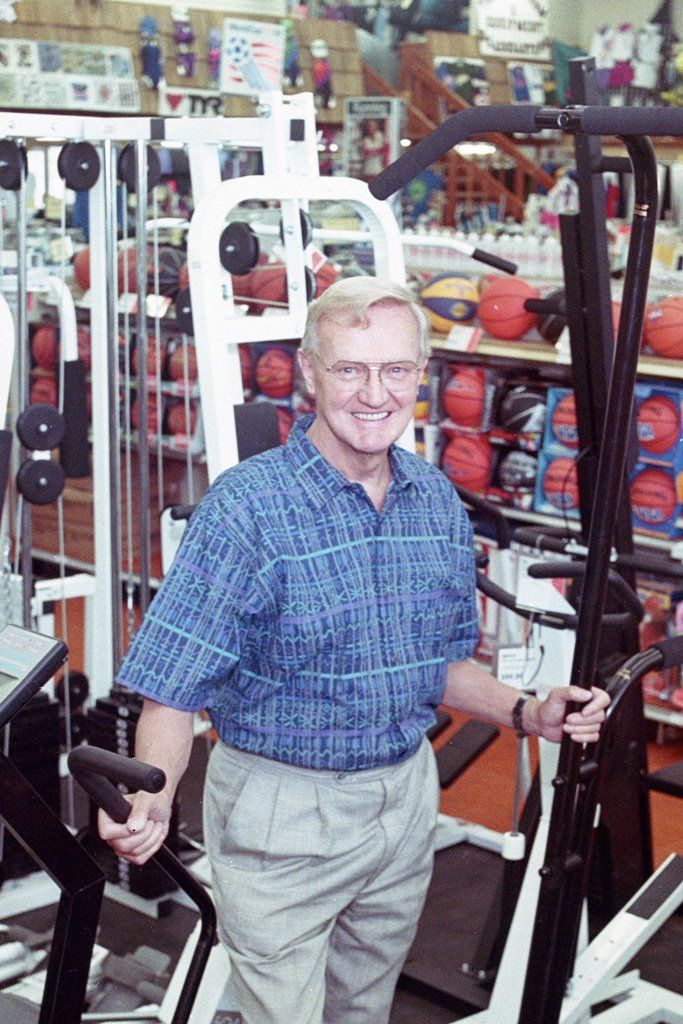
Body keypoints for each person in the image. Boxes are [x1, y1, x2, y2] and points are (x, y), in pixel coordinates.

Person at [100, 276, 609, 1024]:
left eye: (395, 370)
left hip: (402, 801)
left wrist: (529, 711)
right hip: (282, 809)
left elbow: (435, 665)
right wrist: (152, 794)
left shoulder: (432, 499)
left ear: (418, 377)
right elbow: (172, 687)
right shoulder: (248, 508)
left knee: (362, 1010)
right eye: (350, 369)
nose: (375, 394)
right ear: (308, 372)